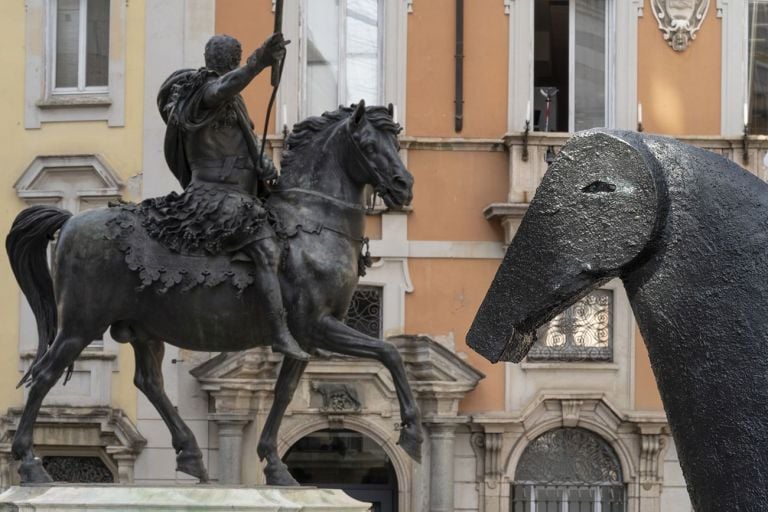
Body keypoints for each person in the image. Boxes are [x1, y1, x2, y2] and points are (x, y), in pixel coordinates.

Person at [151, 33, 310, 361]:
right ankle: (279, 333)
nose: (234, 65)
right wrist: (259, 62)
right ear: (229, 61)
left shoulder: (230, 102)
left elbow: (247, 144)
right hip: (213, 196)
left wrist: (267, 168)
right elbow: (222, 89)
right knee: (266, 248)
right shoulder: (201, 94)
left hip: (239, 195)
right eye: (234, 60)